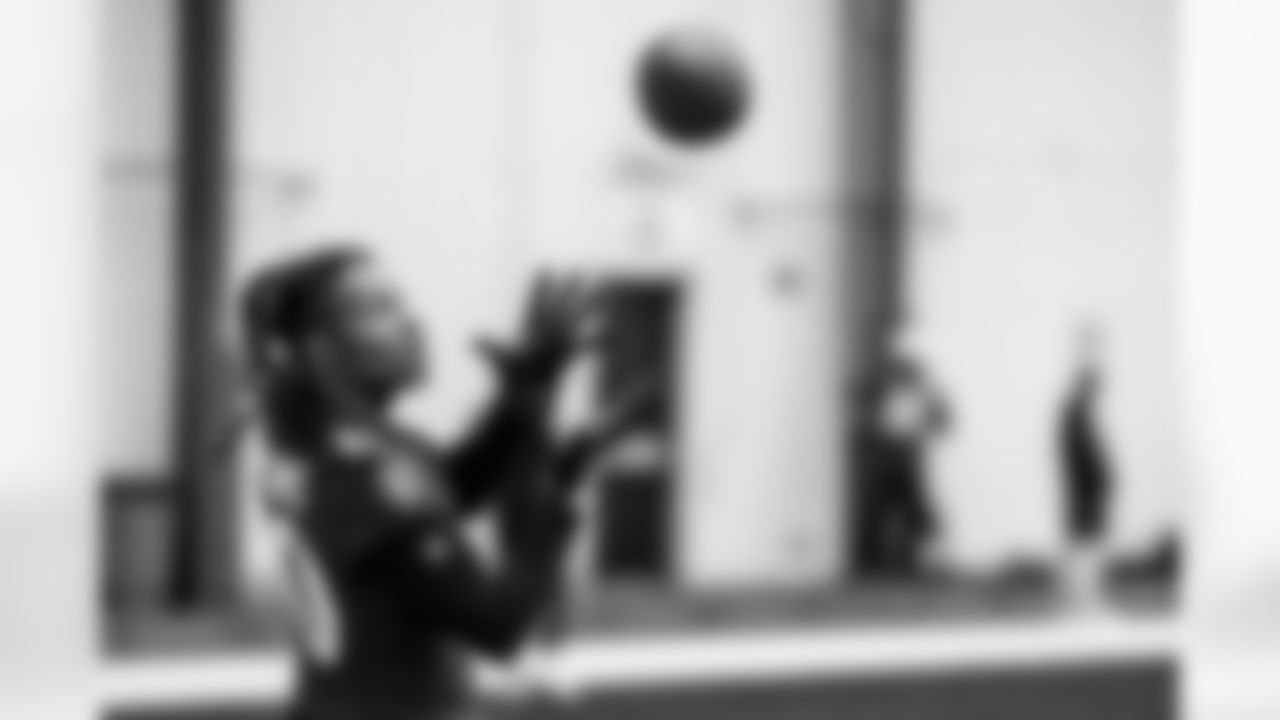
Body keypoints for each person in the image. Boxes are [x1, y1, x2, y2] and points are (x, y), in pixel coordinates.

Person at [241, 245, 628, 720]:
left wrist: (524, 393)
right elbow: (497, 625)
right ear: (319, 351)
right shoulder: (368, 473)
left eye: (399, 304)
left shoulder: (319, 452)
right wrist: (550, 511)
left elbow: (448, 492)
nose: (410, 323)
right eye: (377, 310)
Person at [1057, 322, 1115, 611]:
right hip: (1084, 496)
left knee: (1084, 545)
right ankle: (1083, 602)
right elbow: (1088, 458)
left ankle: (1082, 601)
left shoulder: (1078, 410)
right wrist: (1105, 478)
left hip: (1084, 495)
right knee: (1085, 546)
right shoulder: (1076, 411)